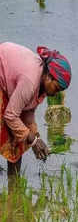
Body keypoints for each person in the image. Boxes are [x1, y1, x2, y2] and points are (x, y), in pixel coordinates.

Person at [0, 42, 72, 176]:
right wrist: (33, 140)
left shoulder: (42, 85)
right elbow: (10, 115)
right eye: (56, 88)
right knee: (12, 128)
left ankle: (14, 184)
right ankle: (13, 185)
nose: (55, 94)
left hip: (9, 82)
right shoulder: (30, 82)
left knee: (20, 134)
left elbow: (27, 112)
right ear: (49, 76)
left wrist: (35, 138)